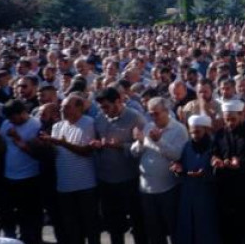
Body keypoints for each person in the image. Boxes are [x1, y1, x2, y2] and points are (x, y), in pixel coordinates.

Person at [92, 87, 147, 244]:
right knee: (113, 224)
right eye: (101, 107)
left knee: (137, 222)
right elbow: (98, 140)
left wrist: (121, 146)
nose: (104, 111)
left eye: (106, 106)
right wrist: (98, 145)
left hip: (129, 179)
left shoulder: (135, 118)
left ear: (118, 101)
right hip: (106, 179)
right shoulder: (100, 119)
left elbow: (143, 146)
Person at [43, 94, 100, 244]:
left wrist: (62, 143)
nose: (63, 110)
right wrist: (46, 144)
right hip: (64, 187)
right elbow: (56, 153)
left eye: (67, 107)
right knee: (72, 229)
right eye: (61, 107)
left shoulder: (88, 123)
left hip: (85, 185)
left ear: (80, 108)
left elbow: (85, 151)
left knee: (91, 227)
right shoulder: (57, 126)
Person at [130, 96, 188, 244]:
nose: (153, 117)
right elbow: (134, 152)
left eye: (156, 113)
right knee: (154, 231)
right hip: (146, 188)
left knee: (174, 228)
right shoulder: (148, 126)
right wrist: (140, 142)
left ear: (167, 111)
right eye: (150, 114)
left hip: (168, 188)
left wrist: (159, 141)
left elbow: (178, 154)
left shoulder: (179, 129)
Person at [211, 99, 245, 244]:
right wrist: (216, 160)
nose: (230, 123)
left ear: (242, 115)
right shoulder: (220, 134)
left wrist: (241, 163)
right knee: (228, 230)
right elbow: (214, 152)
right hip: (226, 190)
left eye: (233, 119)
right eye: (227, 119)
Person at [0, 99, 42, 244]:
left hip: (29, 177)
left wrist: (17, 137)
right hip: (9, 177)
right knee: (7, 214)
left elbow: (36, 152)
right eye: (9, 119)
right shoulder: (7, 124)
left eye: (13, 118)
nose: (11, 121)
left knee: (29, 215)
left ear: (22, 113)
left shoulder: (35, 125)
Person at [173, 114, 219, 244]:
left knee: (206, 230)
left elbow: (219, 172)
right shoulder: (187, 146)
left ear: (206, 130)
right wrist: (178, 169)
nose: (194, 135)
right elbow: (180, 165)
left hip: (207, 195)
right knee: (187, 229)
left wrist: (205, 174)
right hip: (187, 194)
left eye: (198, 132)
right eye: (192, 132)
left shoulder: (214, 146)